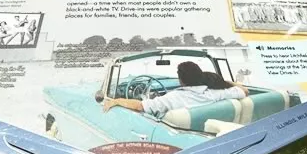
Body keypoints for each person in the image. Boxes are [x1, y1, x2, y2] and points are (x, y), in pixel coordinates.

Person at [102, 61, 248, 118]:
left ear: (181, 80)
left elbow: (140, 105)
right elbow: (244, 91)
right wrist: (224, 81)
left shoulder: (173, 98)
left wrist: (117, 100)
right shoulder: (216, 93)